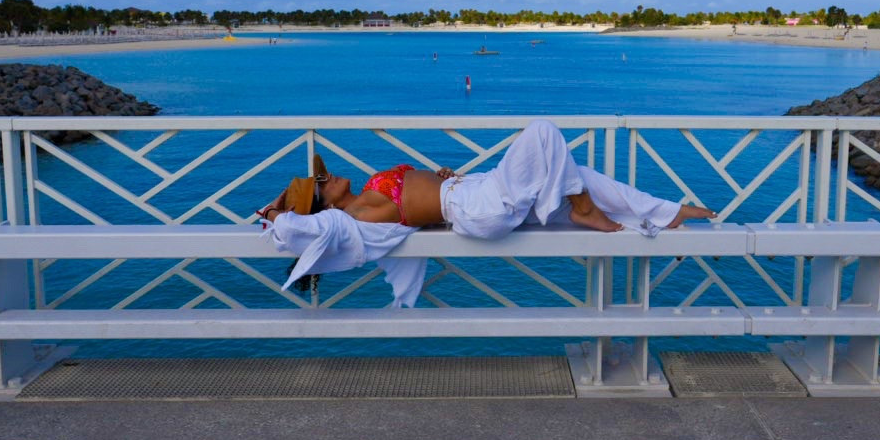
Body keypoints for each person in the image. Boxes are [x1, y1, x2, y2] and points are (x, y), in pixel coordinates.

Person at [260, 119, 715, 306]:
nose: (328, 176)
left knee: (579, 170)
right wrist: (276, 210)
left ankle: (667, 212)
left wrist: (441, 179)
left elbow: (417, 206)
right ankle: (583, 210)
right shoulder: (348, 217)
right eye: (320, 183)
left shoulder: (363, 198)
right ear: (323, 201)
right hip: (478, 205)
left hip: (471, 190)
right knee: (542, 132)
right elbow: (298, 230)